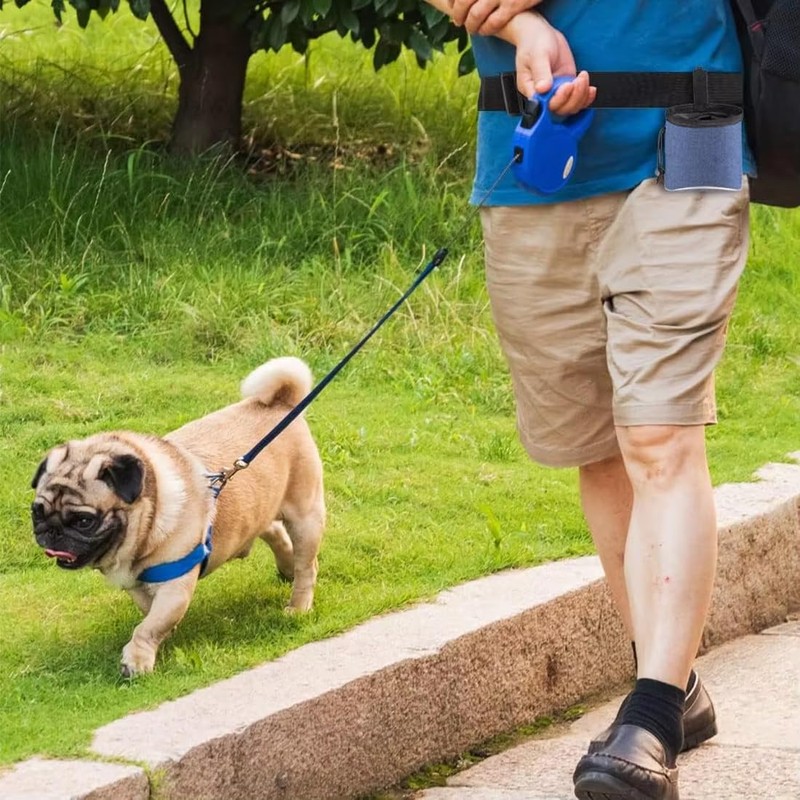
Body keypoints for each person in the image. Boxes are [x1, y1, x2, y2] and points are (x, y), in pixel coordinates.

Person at [419, 2, 751, 799]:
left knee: (659, 437)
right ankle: (673, 683)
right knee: (599, 447)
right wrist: (503, 20)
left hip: (690, 137)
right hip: (535, 157)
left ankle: (652, 712)